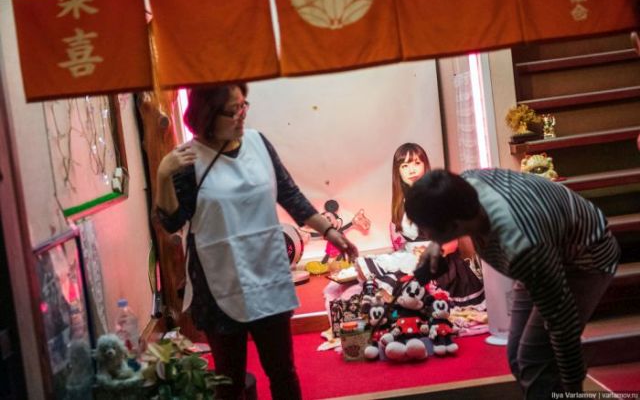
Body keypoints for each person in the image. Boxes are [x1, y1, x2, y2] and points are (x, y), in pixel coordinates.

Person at [154, 83, 358, 399]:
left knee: (283, 371)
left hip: (268, 273)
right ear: (207, 115)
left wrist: (331, 232)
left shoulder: (258, 143)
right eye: (232, 110)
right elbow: (171, 222)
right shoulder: (189, 160)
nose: (241, 114)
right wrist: (163, 175)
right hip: (219, 284)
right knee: (230, 381)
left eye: (243, 105)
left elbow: (290, 195)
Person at [405, 168, 620, 398]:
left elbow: (562, 325)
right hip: (544, 252)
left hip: (584, 260)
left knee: (535, 359)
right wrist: (437, 244)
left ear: (454, 226)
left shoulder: (521, 245)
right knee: (517, 355)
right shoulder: (463, 186)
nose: (423, 233)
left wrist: (573, 388)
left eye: (425, 229)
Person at [360, 143, 485, 307]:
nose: (411, 170)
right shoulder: (402, 201)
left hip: (439, 264)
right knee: (369, 273)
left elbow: (452, 243)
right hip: (411, 259)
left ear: (425, 165)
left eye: (416, 163)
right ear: (398, 172)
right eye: (405, 166)